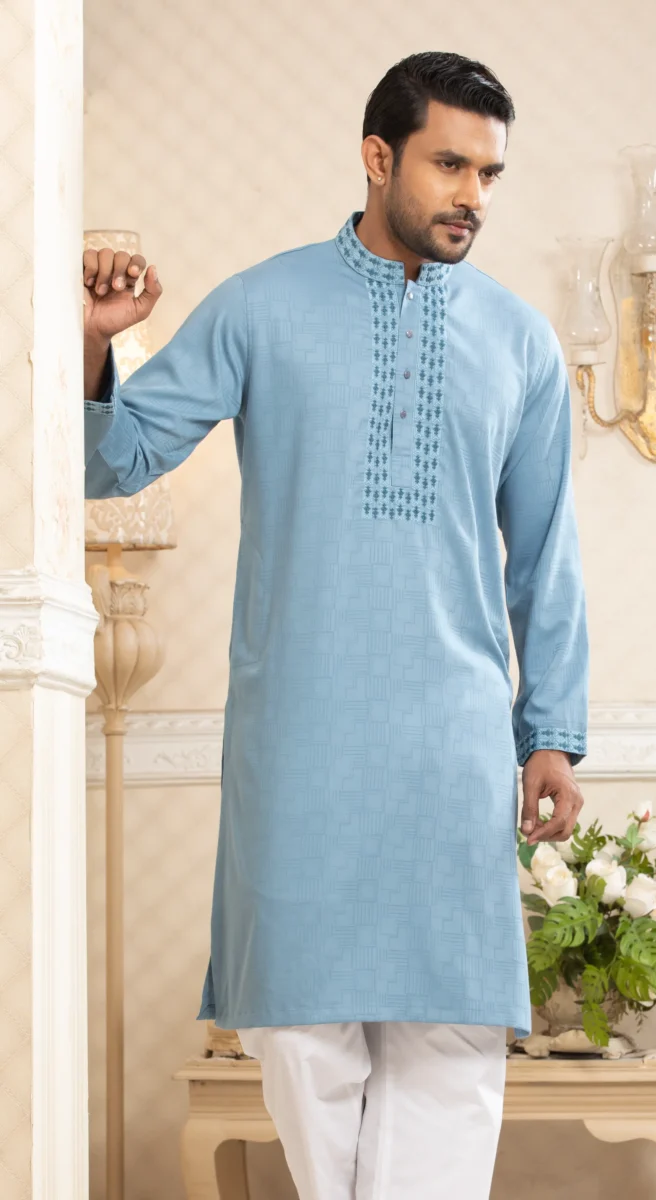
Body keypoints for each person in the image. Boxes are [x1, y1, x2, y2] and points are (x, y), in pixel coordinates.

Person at [83, 49, 589, 1200]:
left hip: (452, 745)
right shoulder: (260, 307)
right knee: (302, 1038)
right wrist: (93, 342)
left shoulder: (519, 342)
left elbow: (544, 555)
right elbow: (111, 460)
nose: (472, 195)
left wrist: (550, 734)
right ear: (377, 156)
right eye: (449, 165)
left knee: (449, 1043)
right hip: (300, 737)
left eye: (488, 174)